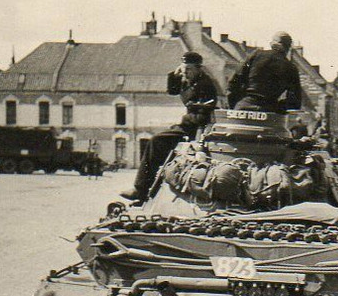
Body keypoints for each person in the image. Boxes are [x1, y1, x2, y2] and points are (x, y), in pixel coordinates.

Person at [120, 51, 219, 202]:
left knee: (156, 141)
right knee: (159, 144)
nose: (186, 73)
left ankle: (140, 190)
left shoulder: (205, 84)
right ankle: (146, 189)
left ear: (199, 68)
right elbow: (172, 90)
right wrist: (175, 73)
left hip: (196, 127)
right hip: (188, 124)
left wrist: (190, 113)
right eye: (184, 69)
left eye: (189, 70)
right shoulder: (189, 80)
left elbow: (204, 113)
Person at [227, 31, 303, 112]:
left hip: (244, 106)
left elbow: (233, 82)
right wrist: (278, 107)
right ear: (288, 48)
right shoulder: (291, 68)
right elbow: (295, 102)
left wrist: (235, 105)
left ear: (272, 44)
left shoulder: (256, 55)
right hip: (269, 110)